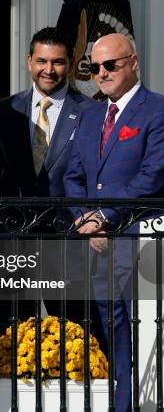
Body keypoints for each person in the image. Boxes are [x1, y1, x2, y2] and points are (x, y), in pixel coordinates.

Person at [64, 33, 164, 412]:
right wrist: (85, 219)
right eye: (94, 67)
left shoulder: (156, 110)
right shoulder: (90, 114)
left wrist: (105, 215)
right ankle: (126, 404)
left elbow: (153, 175)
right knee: (114, 334)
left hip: (142, 244)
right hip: (99, 247)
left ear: (133, 62)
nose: (101, 73)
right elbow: (73, 176)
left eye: (111, 65)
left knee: (147, 334)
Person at [0, 27, 96, 336]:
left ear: (71, 62)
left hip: (68, 242)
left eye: (58, 62)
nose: (49, 70)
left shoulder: (93, 112)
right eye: (41, 61)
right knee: (7, 334)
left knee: (76, 332)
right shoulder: (4, 110)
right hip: (13, 241)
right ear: (28, 61)